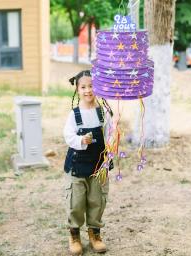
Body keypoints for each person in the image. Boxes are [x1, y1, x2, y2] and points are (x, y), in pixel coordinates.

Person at [63, 70, 113, 255]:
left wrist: (113, 143)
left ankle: (95, 234)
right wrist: (80, 141)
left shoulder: (104, 112)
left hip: (99, 165)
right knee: (76, 202)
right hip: (78, 165)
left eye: (92, 86)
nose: (88, 90)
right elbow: (68, 135)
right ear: (77, 89)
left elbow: (109, 134)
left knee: (96, 200)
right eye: (83, 87)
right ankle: (74, 235)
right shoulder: (75, 114)